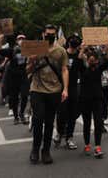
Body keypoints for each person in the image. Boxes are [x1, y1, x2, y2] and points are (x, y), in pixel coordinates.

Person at [26, 24, 69, 165]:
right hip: (37, 89)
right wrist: (32, 59)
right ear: (43, 34)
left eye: (53, 34)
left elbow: (64, 70)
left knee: (50, 122)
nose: (50, 36)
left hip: (54, 91)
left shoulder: (61, 51)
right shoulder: (35, 47)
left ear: (55, 35)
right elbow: (27, 70)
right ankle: (35, 149)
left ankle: (46, 151)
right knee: (38, 120)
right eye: (48, 34)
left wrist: (65, 89)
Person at [78, 45, 108, 158]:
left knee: (98, 123)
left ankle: (97, 146)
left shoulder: (99, 69)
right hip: (85, 100)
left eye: (94, 59)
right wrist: (82, 49)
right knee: (87, 123)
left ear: (97, 61)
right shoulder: (83, 69)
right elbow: (79, 59)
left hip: (97, 100)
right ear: (87, 60)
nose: (92, 60)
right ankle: (87, 144)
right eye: (90, 59)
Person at [54, 33, 82, 149]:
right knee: (61, 113)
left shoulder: (79, 56)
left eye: (76, 40)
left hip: (74, 87)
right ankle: (60, 133)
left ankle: (69, 137)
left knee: (72, 114)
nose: (74, 42)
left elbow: (82, 68)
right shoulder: (63, 54)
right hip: (62, 87)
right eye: (72, 39)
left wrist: (82, 52)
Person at [0, 34, 29, 125]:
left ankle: (22, 113)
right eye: (19, 39)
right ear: (16, 41)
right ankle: (16, 117)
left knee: (24, 96)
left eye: (23, 39)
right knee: (14, 98)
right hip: (13, 78)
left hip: (24, 76)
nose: (21, 40)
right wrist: (0, 40)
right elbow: (0, 51)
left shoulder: (29, 50)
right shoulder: (12, 51)